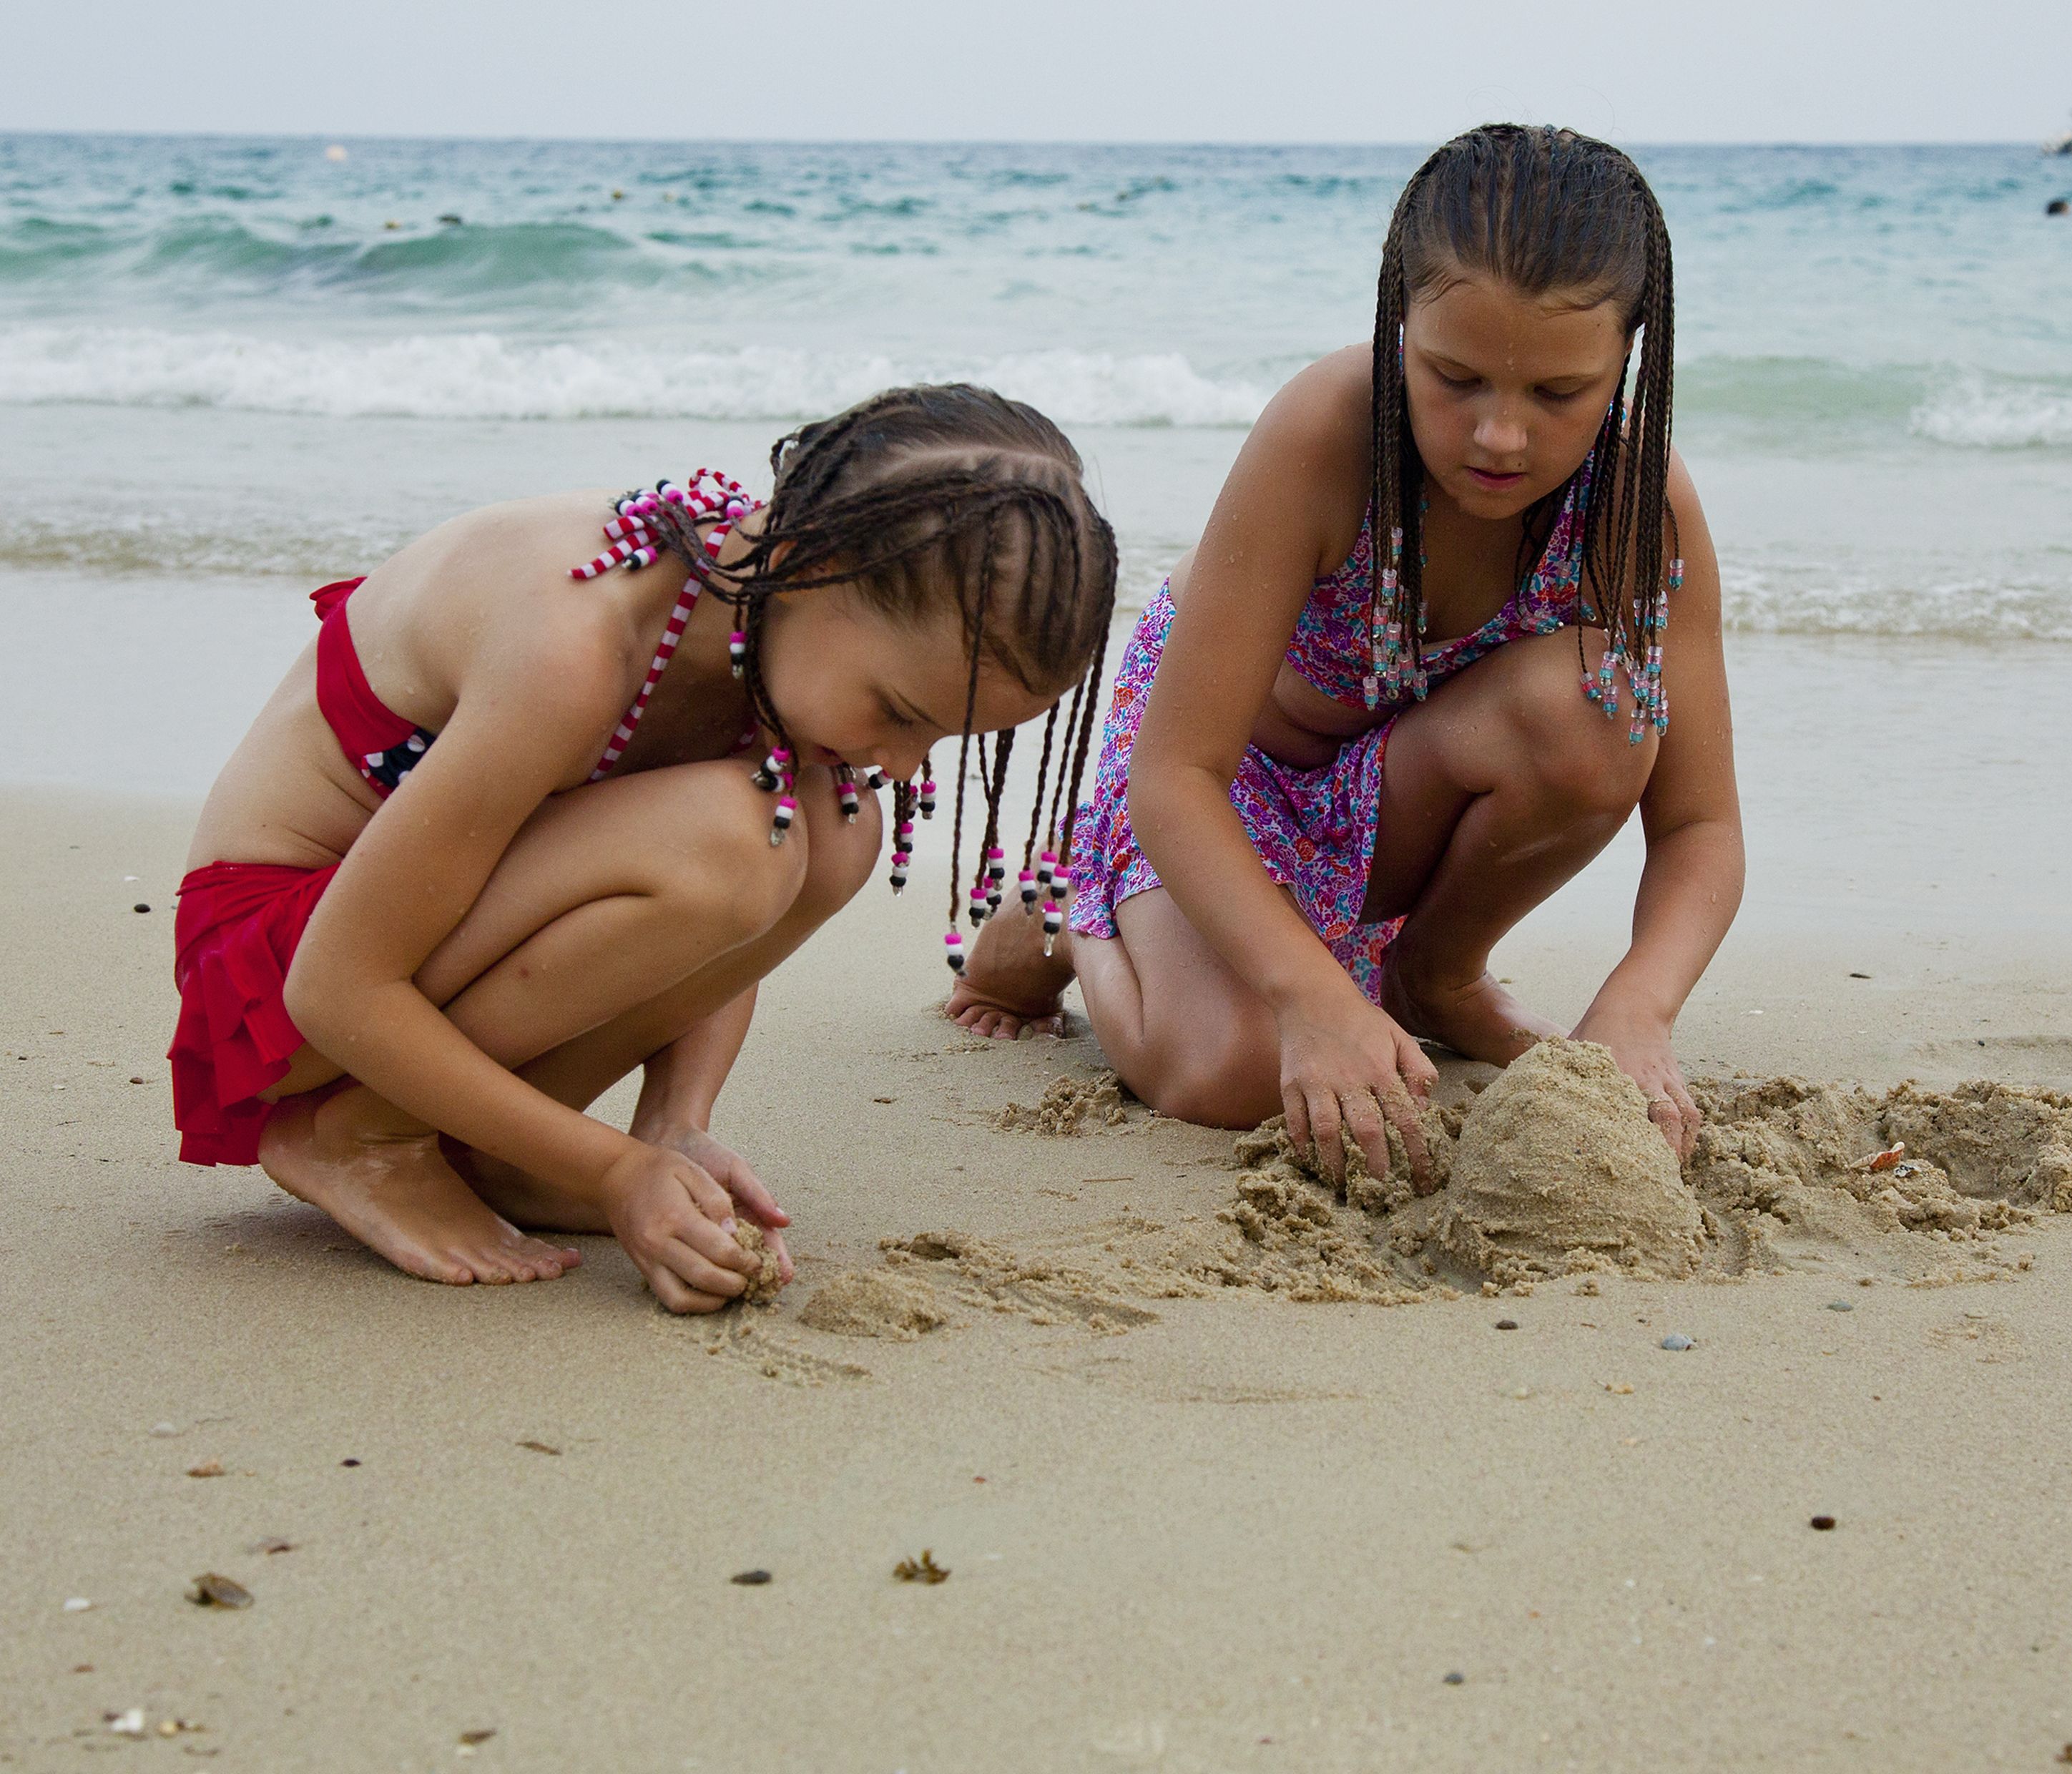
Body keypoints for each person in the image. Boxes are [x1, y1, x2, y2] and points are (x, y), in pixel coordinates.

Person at [171, 386, 1116, 1312]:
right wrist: (617, 1171)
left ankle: (485, 1148)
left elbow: (717, 931)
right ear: (805, 560)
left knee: (834, 828)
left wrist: (672, 1127)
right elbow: (335, 987)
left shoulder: (757, 604)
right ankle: (364, 1137)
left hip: (409, 952)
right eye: (901, 713)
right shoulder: (576, 645)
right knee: (738, 835)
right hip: (276, 976)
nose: (905, 761)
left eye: (941, 742)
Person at [949, 124, 1743, 1187]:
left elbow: (1701, 825)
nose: (1499, 436)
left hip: (1397, 800)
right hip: (1218, 792)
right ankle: (1070, 907)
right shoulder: (1323, 437)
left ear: (1628, 360)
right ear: (1398, 324)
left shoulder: (1641, 505)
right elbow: (1176, 777)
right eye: (1454, 377)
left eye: (1558, 395)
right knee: (1233, 1074)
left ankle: (1434, 976)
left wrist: (1638, 1007)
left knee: (1603, 712)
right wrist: (1310, 1003)